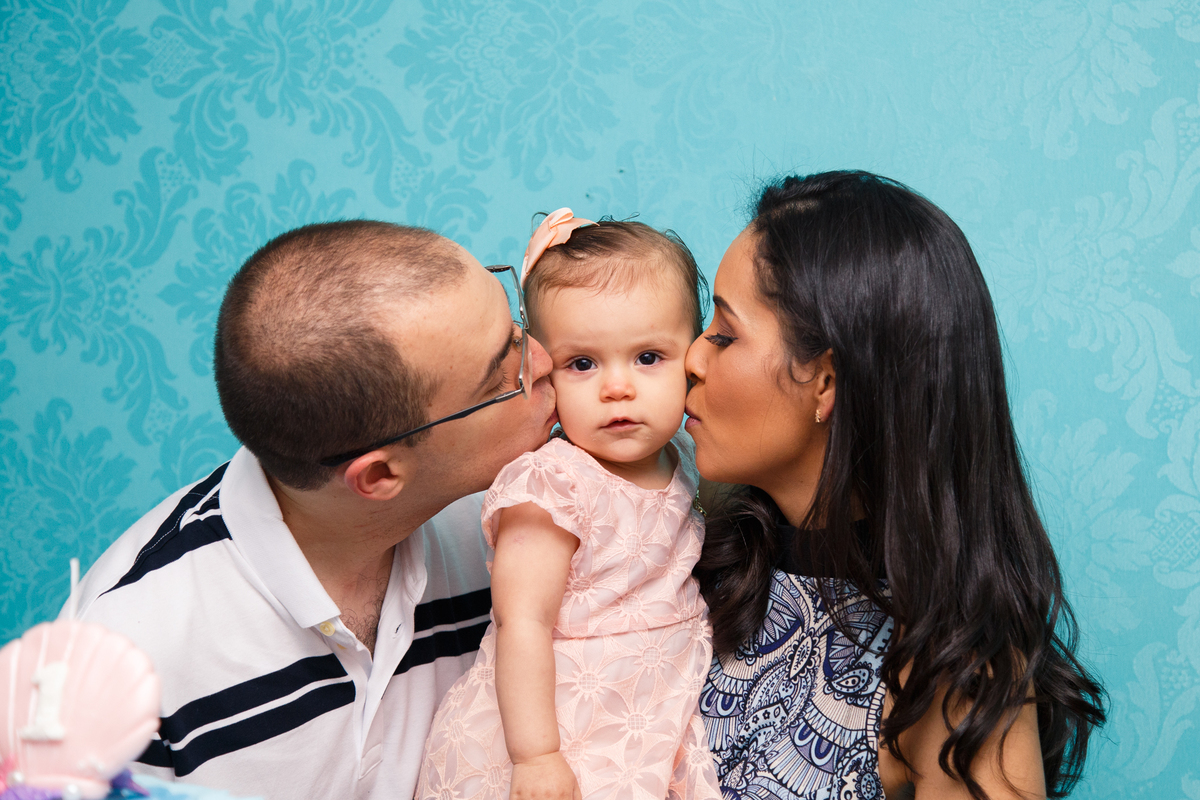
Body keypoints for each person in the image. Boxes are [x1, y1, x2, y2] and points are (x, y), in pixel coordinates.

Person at [64, 221, 558, 800]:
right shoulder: (118, 673)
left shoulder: (535, 512)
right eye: (505, 374)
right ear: (379, 476)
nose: (548, 359)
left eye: (518, 324)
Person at [684, 172, 1106, 799]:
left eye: (723, 334)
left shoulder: (956, 666)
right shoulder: (694, 555)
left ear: (824, 381)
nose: (691, 357)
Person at [417, 211, 722, 800]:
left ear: (694, 353)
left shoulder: (684, 454)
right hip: (563, 721)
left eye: (649, 358)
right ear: (543, 371)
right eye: (582, 363)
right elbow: (521, 622)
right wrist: (536, 756)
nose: (617, 387)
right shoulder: (553, 483)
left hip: (649, 710)